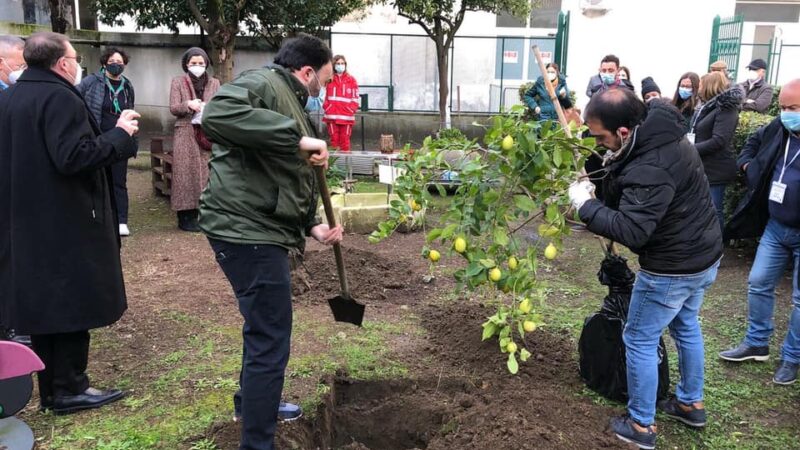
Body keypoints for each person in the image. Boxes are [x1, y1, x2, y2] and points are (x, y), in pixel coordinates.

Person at [199, 34, 343, 450]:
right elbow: (217, 114)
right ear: (307, 71)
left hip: (259, 228)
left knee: (262, 329)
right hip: (248, 234)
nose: (326, 88)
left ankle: (252, 404)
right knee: (271, 335)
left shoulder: (292, 100)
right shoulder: (264, 83)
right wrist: (298, 139)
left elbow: (278, 174)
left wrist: (311, 225)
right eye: (326, 79)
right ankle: (257, 442)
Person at [569, 89, 722, 449]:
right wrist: (598, 166)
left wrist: (585, 206)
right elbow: (625, 177)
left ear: (623, 131)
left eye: (601, 137)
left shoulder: (649, 166)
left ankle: (640, 426)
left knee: (638, 338)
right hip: (704, 254)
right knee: (685, 326)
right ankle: (690, 402)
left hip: (673, 267)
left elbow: (633, 230)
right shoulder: (661, 129)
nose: (600, 144)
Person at [0, 32, 139, 414]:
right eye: (76, 58)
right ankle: (70, 388)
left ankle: (54, 388)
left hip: (25, 216)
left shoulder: (11, 97)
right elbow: (74, 157)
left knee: (46, 304)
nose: (79, 64)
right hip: (65, 218)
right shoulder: (59, 97)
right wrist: (120, 135)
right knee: (71, 299)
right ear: (62, 63)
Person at [720, 79, 800, 385]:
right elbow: (752, 142)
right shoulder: (779, 129)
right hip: (776, 227)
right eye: (783, 107)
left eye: (793, 108)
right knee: (758, 282)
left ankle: (792, 358)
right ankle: (757, 342)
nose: (786, 114)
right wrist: (745, 166)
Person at [77, 47, 137, 237]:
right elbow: (76, 98)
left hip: (121, 138)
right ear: (104, 63)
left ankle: (121, 220)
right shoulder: (92, 82)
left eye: (120, 62)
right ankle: (98, 218)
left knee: (119, 180)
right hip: (99, 138)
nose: (116, 65)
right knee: (98, 179)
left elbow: (131, 107)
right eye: (112, 61)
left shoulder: (127, 85)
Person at [169, 47, 220, 232]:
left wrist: (210, 109)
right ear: (186, 64)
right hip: (185, 131)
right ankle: (185, 216)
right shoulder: (178, 82)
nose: (197, 66)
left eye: (200, 63)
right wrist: (188, 104)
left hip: (206, 131)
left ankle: (204, 214)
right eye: (193, 63)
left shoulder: (214, 83)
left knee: (206, 173)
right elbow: (173, 107)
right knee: (184, 173)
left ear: (206, 63)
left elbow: (220, 105)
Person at [692, 71, 741, 235]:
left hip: (716, 168)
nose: (698, 88)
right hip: (704, 165)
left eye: (700, 85)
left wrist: (691, 148)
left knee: (713, 209)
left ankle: (716, 245)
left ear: (709, 86)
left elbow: (719, 140)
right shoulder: (708, 107)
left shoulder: (726, 108)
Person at [322, 54, 359, 152]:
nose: (340, 65)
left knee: (345, 142)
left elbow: (355, 98)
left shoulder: (351, 80)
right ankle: (334, 166)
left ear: (345, 65)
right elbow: (322, 96)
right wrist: (327, 107)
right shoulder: (329, 79)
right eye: (338, 63)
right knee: (334, 142)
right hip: (332, 117)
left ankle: (345, 166)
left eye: (342, 63)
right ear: (334, 65)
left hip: (346, 117)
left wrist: (350, 110)